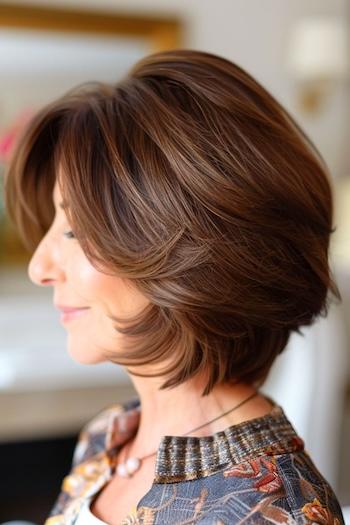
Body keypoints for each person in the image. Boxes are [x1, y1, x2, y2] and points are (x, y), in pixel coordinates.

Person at [4, 49, 345, 525]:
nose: (39, 267)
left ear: (182, 250)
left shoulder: (267, 512)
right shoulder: (111, 435)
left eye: (74, 231)